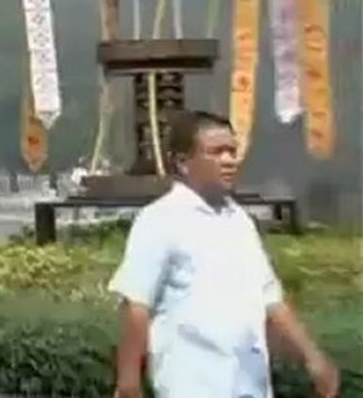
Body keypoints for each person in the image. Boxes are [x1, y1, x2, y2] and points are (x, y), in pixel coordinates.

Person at [109, 110, 340, 398]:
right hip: (191, 386)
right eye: (217, 152)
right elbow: (137, 304)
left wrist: (313, 357)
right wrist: (129, 381)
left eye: (232, 151)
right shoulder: (160, 220)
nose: (229, 160)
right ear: (183, 162)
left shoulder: (239, 221)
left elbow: (270, 299)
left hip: (250, 386)